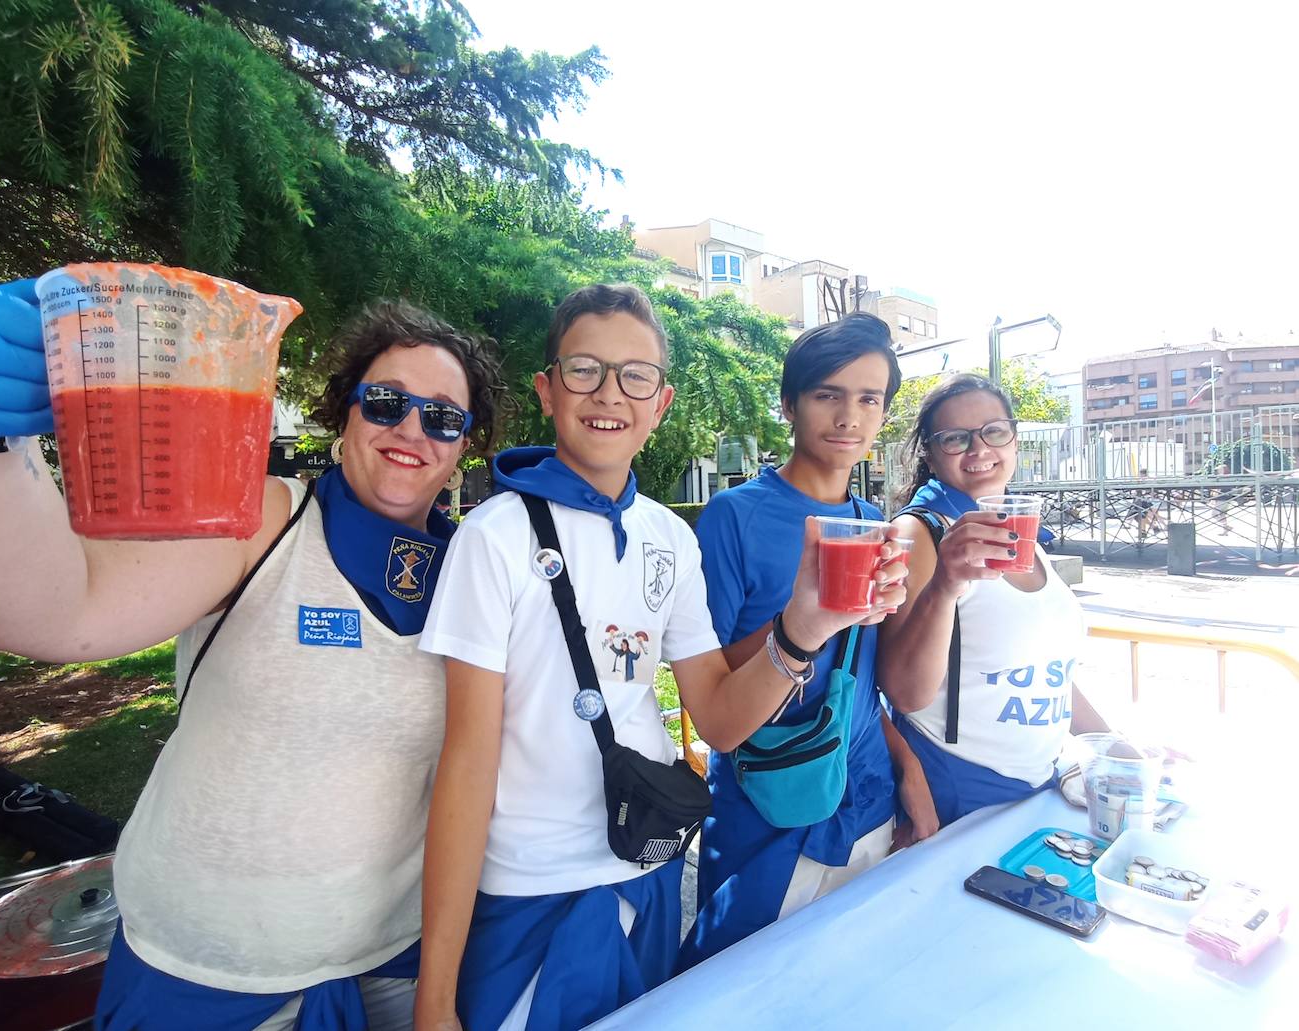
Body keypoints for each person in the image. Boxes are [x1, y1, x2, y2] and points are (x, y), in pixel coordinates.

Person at [0, 279, 504, 1031]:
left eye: (444, 417)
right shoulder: (264, 518)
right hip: (205, 981)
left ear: (465, 445)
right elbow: (55, 609)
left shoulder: (477, 571)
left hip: (393, 966)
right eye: (387, 401)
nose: (413, 428)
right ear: (345, 410)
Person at [411, 285, 906, 1031]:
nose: (610, 393)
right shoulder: (494, 534)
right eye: (585, 370)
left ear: (663, 400)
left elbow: (721, 719)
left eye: (635, 375)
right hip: (530, 891)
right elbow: (466, 760)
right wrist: (434, 996)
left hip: (647, 871)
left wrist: (805, 627)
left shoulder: (667, 536)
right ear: (547, 390)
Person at [677, 313, 937, 973]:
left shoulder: (873, 522)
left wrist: (907, 766)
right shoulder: (733, 518)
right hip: (769, 816)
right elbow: (724, 702)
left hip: (868, 799)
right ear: (789, 404)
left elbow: (861, 680)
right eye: (828, 393)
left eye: (869, 398)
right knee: (743, 993)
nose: (850, 415)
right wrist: (808, 618)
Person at [880, 373, 1110, 828]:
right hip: (958, 783)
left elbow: (1049, 672)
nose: (980, 449)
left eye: (994, 431)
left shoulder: (1025, 537)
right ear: (929, 451)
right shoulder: (920, 533)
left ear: (1015, 439)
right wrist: (946, 585)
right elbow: (905, 694)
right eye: (956, 438)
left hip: (1037, 782)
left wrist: (1111, 743)